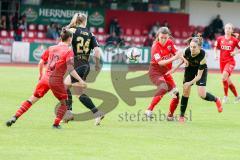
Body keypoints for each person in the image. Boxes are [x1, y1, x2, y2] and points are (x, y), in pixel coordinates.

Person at [6, 28, 86, 129]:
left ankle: (15, 116)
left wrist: (40, 75)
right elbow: (71, 69)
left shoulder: (51, 48)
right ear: (70, 39)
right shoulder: (69, 51)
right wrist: (80, 80)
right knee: (64, 104)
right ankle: (56, 124)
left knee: (32, 99)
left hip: (45, 78)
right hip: (55, 80)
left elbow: (40, 63)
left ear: (61, 37)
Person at [170, 36, 223, 123]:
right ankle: (181, 116)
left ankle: (216, 100)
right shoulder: (187, 50)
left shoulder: (202, 57)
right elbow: (181, 58)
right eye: (191, 46)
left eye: (194, 47)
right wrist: (175, 68)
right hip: (190, 69)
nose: (192, 49)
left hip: (200, 71)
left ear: (199, 47)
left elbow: (198, 76)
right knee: (185, 92)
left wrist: (189, 83)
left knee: (202, 94)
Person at [65, 13, 103, 125]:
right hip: (86, 64)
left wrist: (70, 25)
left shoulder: (72, 30)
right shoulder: (91, 34)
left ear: (77, 21)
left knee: (73, 90)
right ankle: (71, 112)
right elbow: (96, 51)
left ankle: (70, 112)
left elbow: (63, 36)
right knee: (71, 88)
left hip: (77, 63)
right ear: (85, 21)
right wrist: (96, 64)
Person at [145, 27, 182, 121]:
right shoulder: (155, 47)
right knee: (163, 87)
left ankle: (170, 116)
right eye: (161, 37)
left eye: (165, 37)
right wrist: (174, 58)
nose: (164, 40)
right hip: (155, 72)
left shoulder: (170, 43)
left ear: (168, 36)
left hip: (166, 72)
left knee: (176, 94)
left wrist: (184, 59)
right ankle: (149, 110)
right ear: (158, 36)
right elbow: (160, 62)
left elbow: (178, 53)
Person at [214, 23, 240, 103]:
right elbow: (215, 47)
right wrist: (216, 55)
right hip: (222, 62)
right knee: (228, 80)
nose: (227, 30)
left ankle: (225, 97)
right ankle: (237, 97)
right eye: (226, 28)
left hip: (230, 62)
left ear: (232, 30)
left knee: (224, 77)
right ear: (224, 30)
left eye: (229, 28)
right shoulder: (219, 39)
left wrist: (235, 53)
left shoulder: (235, 40)